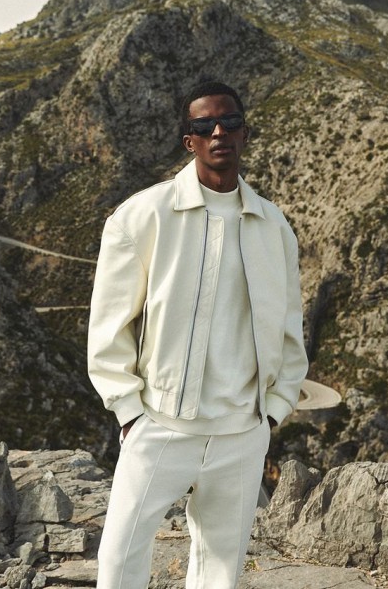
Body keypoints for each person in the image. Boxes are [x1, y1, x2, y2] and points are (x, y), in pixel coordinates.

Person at [87, 80, 309, 589]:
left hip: (242, 432)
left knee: (220, 569)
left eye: (229, 122)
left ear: (245, 132)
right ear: (189, 140)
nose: (218, 133)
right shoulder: (143, 216)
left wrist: (272, 412)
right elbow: (109, 325)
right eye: (204, 126)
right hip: (160, 424)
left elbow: (288, 328)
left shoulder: (273, 226)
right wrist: (129, 412)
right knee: (119, 558)